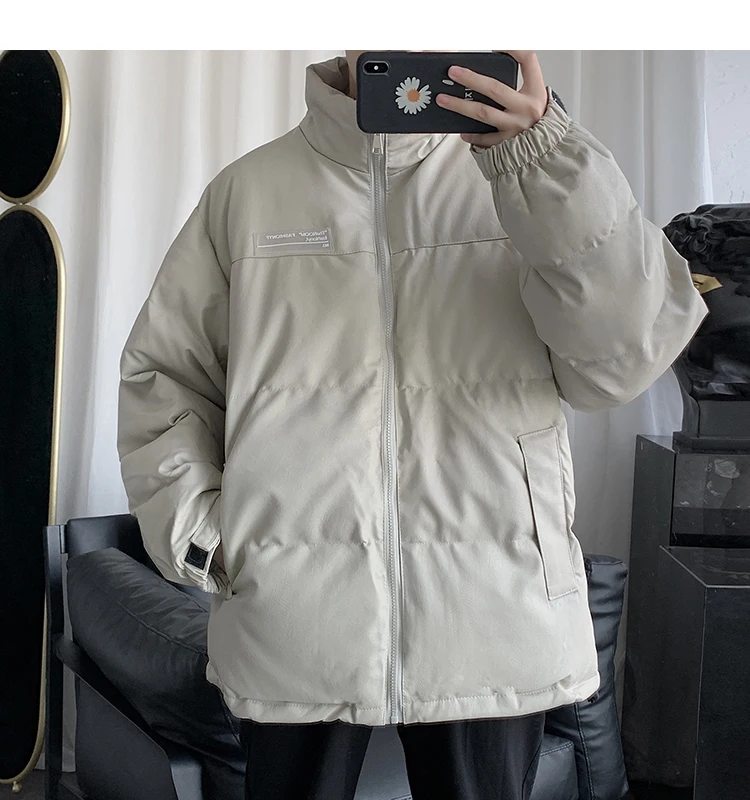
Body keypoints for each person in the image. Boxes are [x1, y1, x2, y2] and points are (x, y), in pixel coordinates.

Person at [117, 50, 708, 799]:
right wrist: (210, 540)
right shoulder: (249, 193)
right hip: (296, 613)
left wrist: (542, 159)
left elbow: (622, 361)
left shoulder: (527, 183)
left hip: (493, 607)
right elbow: (163, 380)